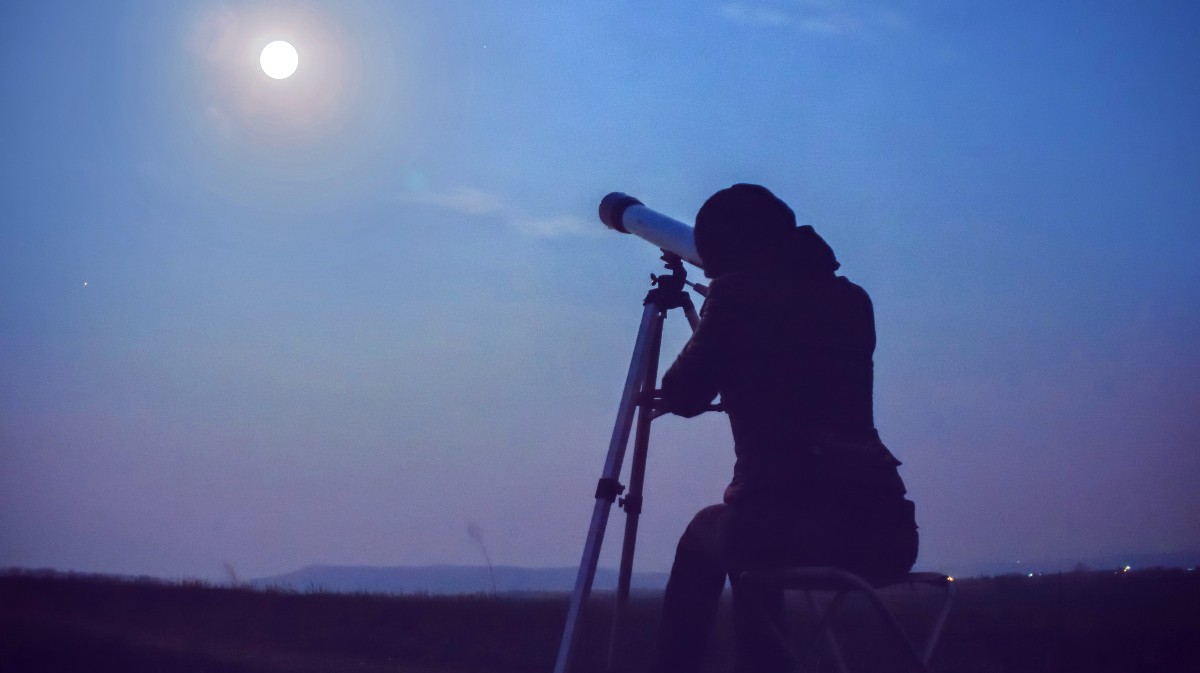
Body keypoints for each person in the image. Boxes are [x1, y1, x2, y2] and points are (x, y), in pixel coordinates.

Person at [652, 184, 918, 673]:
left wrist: (719, 310)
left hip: (794, 527)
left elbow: (685, 394)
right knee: (750, 539)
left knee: (711, 536)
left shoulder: (736, 295)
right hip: (888, 533)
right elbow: (796, 361)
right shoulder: (853, 301)